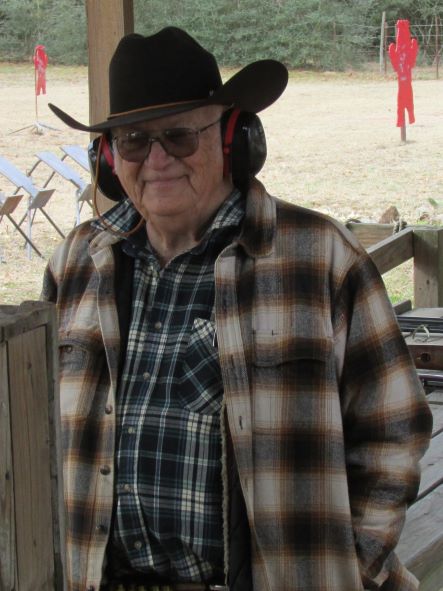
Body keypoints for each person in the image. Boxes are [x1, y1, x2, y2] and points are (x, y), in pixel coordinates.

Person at [42, 26, 432, 591]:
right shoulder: (74, 264)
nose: (156, 159)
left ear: (234, 138)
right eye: (133, 140)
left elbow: (394, 430)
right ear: (108, 158)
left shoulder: (321, 258)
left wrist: (349, 568)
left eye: (179, 136)